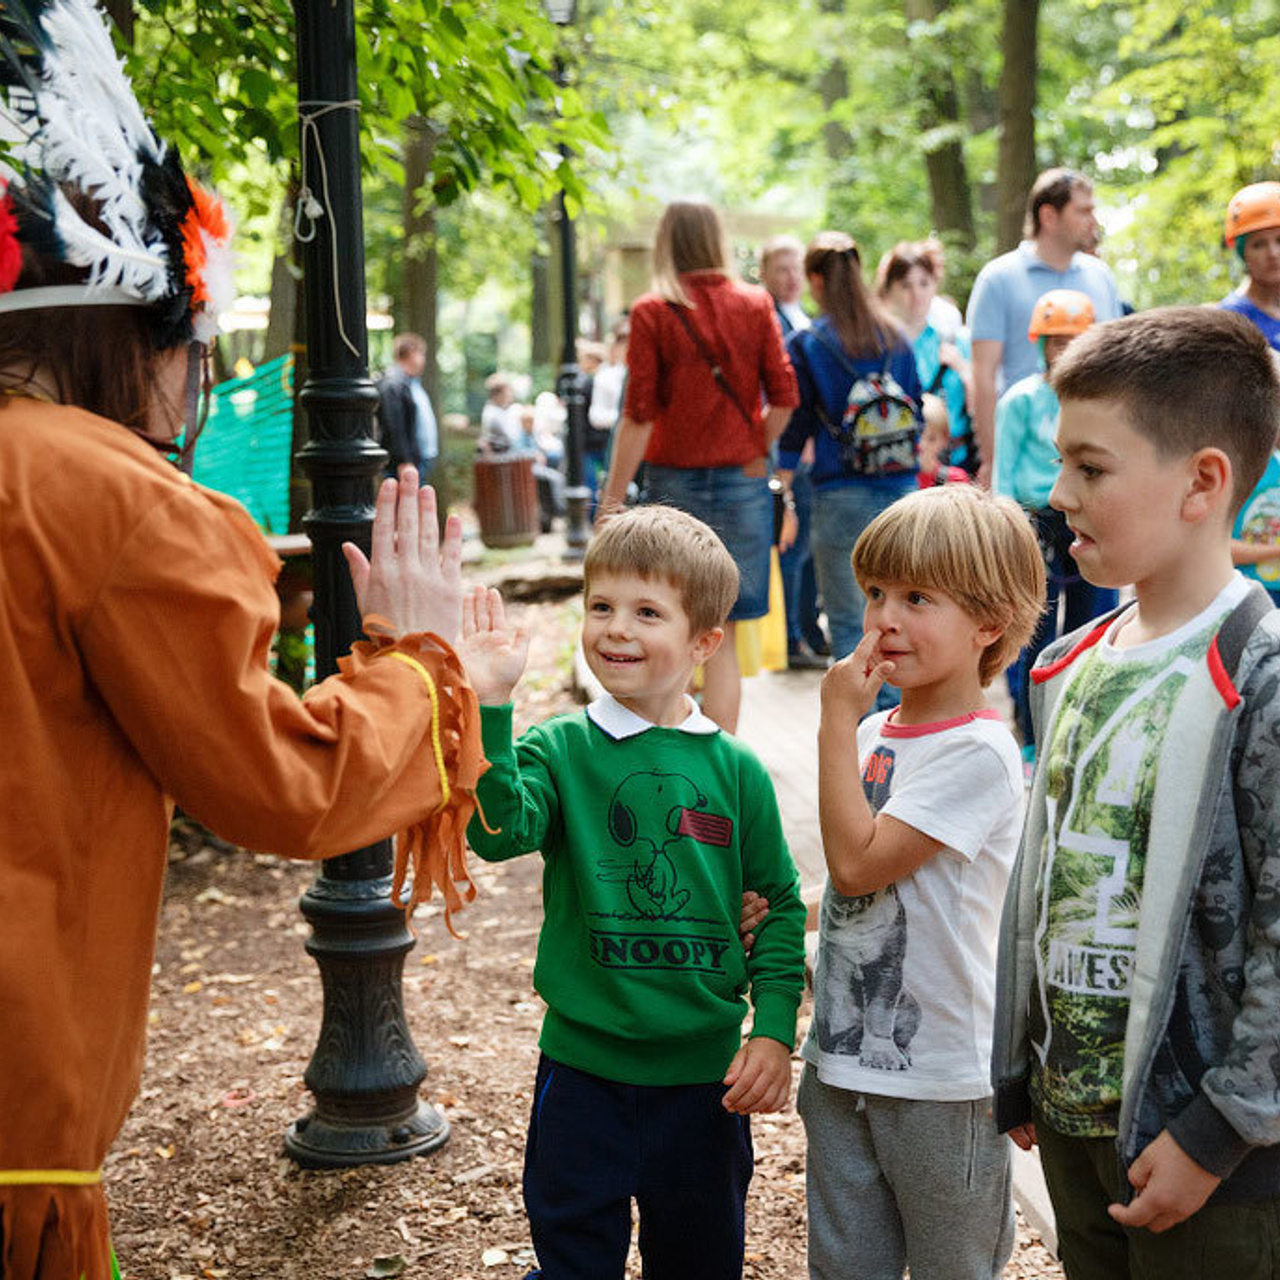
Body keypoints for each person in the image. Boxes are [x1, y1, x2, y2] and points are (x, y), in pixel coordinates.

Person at [0, 4, 481, 1275]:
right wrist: (431, 672)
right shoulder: (103, 490)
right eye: (197, 348)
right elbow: (279, 782)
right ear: (130, 334)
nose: (199, 389)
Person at [992, 307, 1280, 1280]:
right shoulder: (1066, 664)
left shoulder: (1260, 674)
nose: (1054, 488)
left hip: (1212, 1159)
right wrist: (1013, 1061)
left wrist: (1216, 1130)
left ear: (1202, 481)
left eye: (1089, 466)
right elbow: (1040, 880)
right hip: (1070, 1116)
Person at [459, 504, 807, 1280]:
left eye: (647, 612)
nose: (616, 628)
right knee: (573, 1255)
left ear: (703, 642)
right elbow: (497, 832)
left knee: (699, 1257)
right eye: (601, 606)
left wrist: (775, 1030)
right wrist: (488, 707)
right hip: (583, 1072)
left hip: (703, 1081)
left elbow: (777, 903)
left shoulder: (737, 771)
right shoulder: (558, 747)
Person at [800, 484, 1045, 1280]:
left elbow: (861, 860)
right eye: (874, 592)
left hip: (941, 1079)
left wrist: (834, 719)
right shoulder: (876, 730)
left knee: (953, 1265)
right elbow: (852, 881)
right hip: (840, 1063)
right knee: (846, 1264)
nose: (883, 618)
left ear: (988, 624)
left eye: (916, 597)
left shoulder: (979, 752)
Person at [597, 200, 799, 732]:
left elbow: (637, 416)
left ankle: (666, 752)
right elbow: (784, 396)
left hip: (672, 486)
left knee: (670, 621)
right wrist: (753, 446)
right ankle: (719, 764)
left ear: (667, 243)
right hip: (744, 483)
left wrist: (611, 501)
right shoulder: (755, 304)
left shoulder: (653, 312)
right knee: (723, 631)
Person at [776, 231, 924, 669]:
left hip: (839, 494)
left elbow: (796, 421)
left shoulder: (809, 343)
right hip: (901, 491)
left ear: (815, 281)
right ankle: (898, 723)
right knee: (901, 622)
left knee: (846, 623)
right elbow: (915, 405)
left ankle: (860, 730)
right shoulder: (895, 337)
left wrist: (782, 478)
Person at [992, 288, 1117, 757]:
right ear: (1040, 343)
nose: (1062, 350)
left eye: (1073, 340)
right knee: (1033, 628)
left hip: (1083, 515)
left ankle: (1075, 725)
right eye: (1055, 340)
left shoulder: (1099, 402)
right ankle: (1029, 731)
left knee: (1088, 621)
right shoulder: (1021, 400)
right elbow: (1005, 468)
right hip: (1035, 519)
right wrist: (1008, 528)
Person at [967, 168, 1122, 478]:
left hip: (1090, 454)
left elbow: (1114, 370)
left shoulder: (1100, 276)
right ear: (1049, 216)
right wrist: (993, 461)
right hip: (1024, 458)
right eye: (1083, 211)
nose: (1093, 220)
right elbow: (983, 377)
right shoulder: (998, 278)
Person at [761, 234, 828, 670]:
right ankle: (788, 637)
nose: (790, 278)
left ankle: (806, 626)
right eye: (781, 269)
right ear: (766, 273)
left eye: (795, 269)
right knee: (789, 544)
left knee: (806, 549)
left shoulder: (803, 319)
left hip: (807, 451)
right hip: (782, 451)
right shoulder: (768, 320)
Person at [877, 240, 975, 472]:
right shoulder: (878, 348)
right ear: (889, 290)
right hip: (896, 466)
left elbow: (980, 407)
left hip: (953, 463)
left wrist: (966, 373)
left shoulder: (956, 342)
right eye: (905, 285)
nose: (916, 294)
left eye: (924, 283)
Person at [1221, 182, 1280, 350]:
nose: (1273, 253)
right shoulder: (1232, 320)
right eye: (1259, 244)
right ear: (1242, 252)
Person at [376, 332, 439, 482]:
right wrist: (404, 460)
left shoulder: (410, 382)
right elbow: (394, 426)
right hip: (405, 463)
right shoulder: (393, 384)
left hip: (419, 458)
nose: (424, 360)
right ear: (411, 353)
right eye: (422, 354)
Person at [915, 394, 969, 488]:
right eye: (915, 437)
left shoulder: (955, 480)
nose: (921, 445)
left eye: (931, 439)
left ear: (944, 440)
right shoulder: (897, 478)